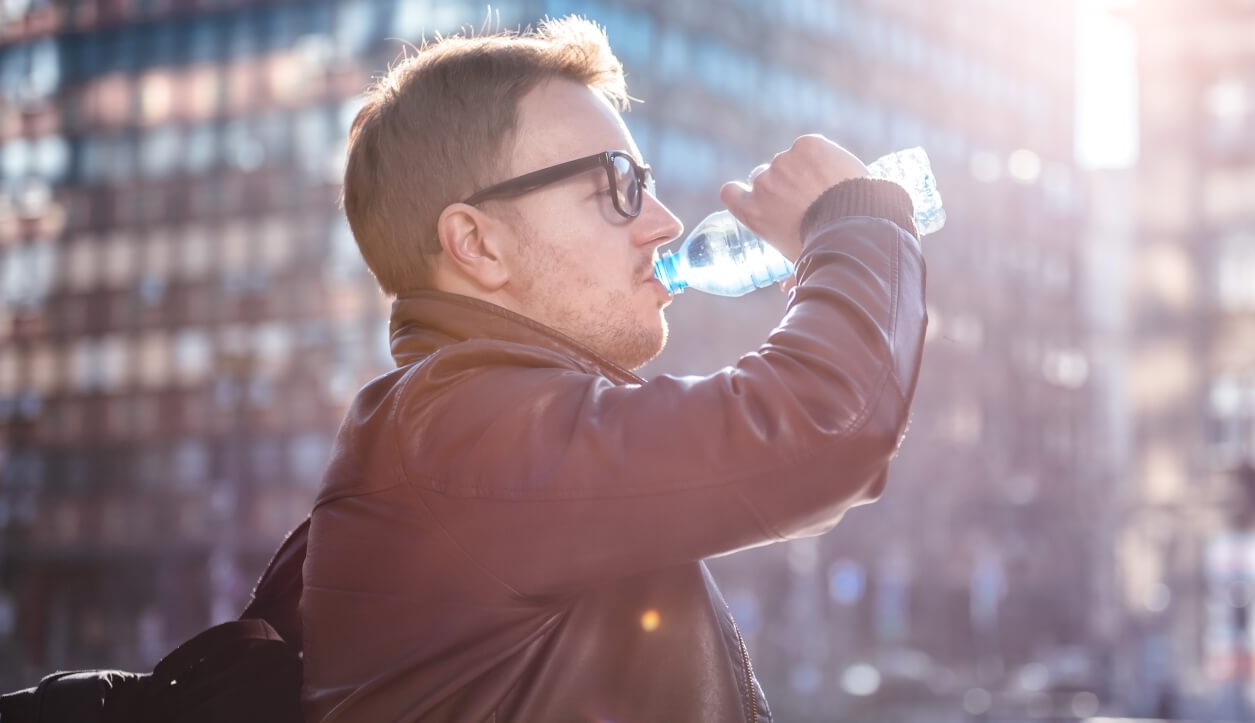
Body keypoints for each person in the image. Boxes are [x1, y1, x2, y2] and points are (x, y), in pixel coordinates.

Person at [302, 16, 927, 722]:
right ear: (476, 244)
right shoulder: (460, 428)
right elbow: (821, 428)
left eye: (647, 181)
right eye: (617, 184)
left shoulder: (461, 426)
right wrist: (853, 219)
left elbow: (816, 448)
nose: (663, 221)